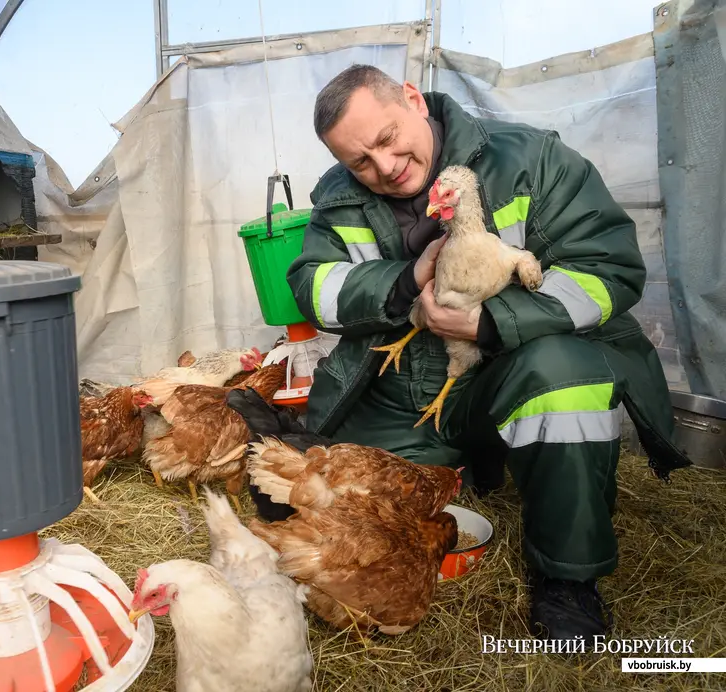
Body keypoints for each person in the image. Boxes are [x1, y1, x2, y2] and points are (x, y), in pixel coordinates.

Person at [286, 64, 691, 644]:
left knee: (564, 380)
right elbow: (313, 285)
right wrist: (403, 283)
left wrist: (491, 321)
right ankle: (468, 461)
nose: (385, 168)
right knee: (337, 515)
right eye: (361, 163)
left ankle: (566, 578)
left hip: (513, 368)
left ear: (411, 99)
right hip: (405, 388)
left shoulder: (531, 161)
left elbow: (607, 270)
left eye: (386, 140)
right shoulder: (338, 196)